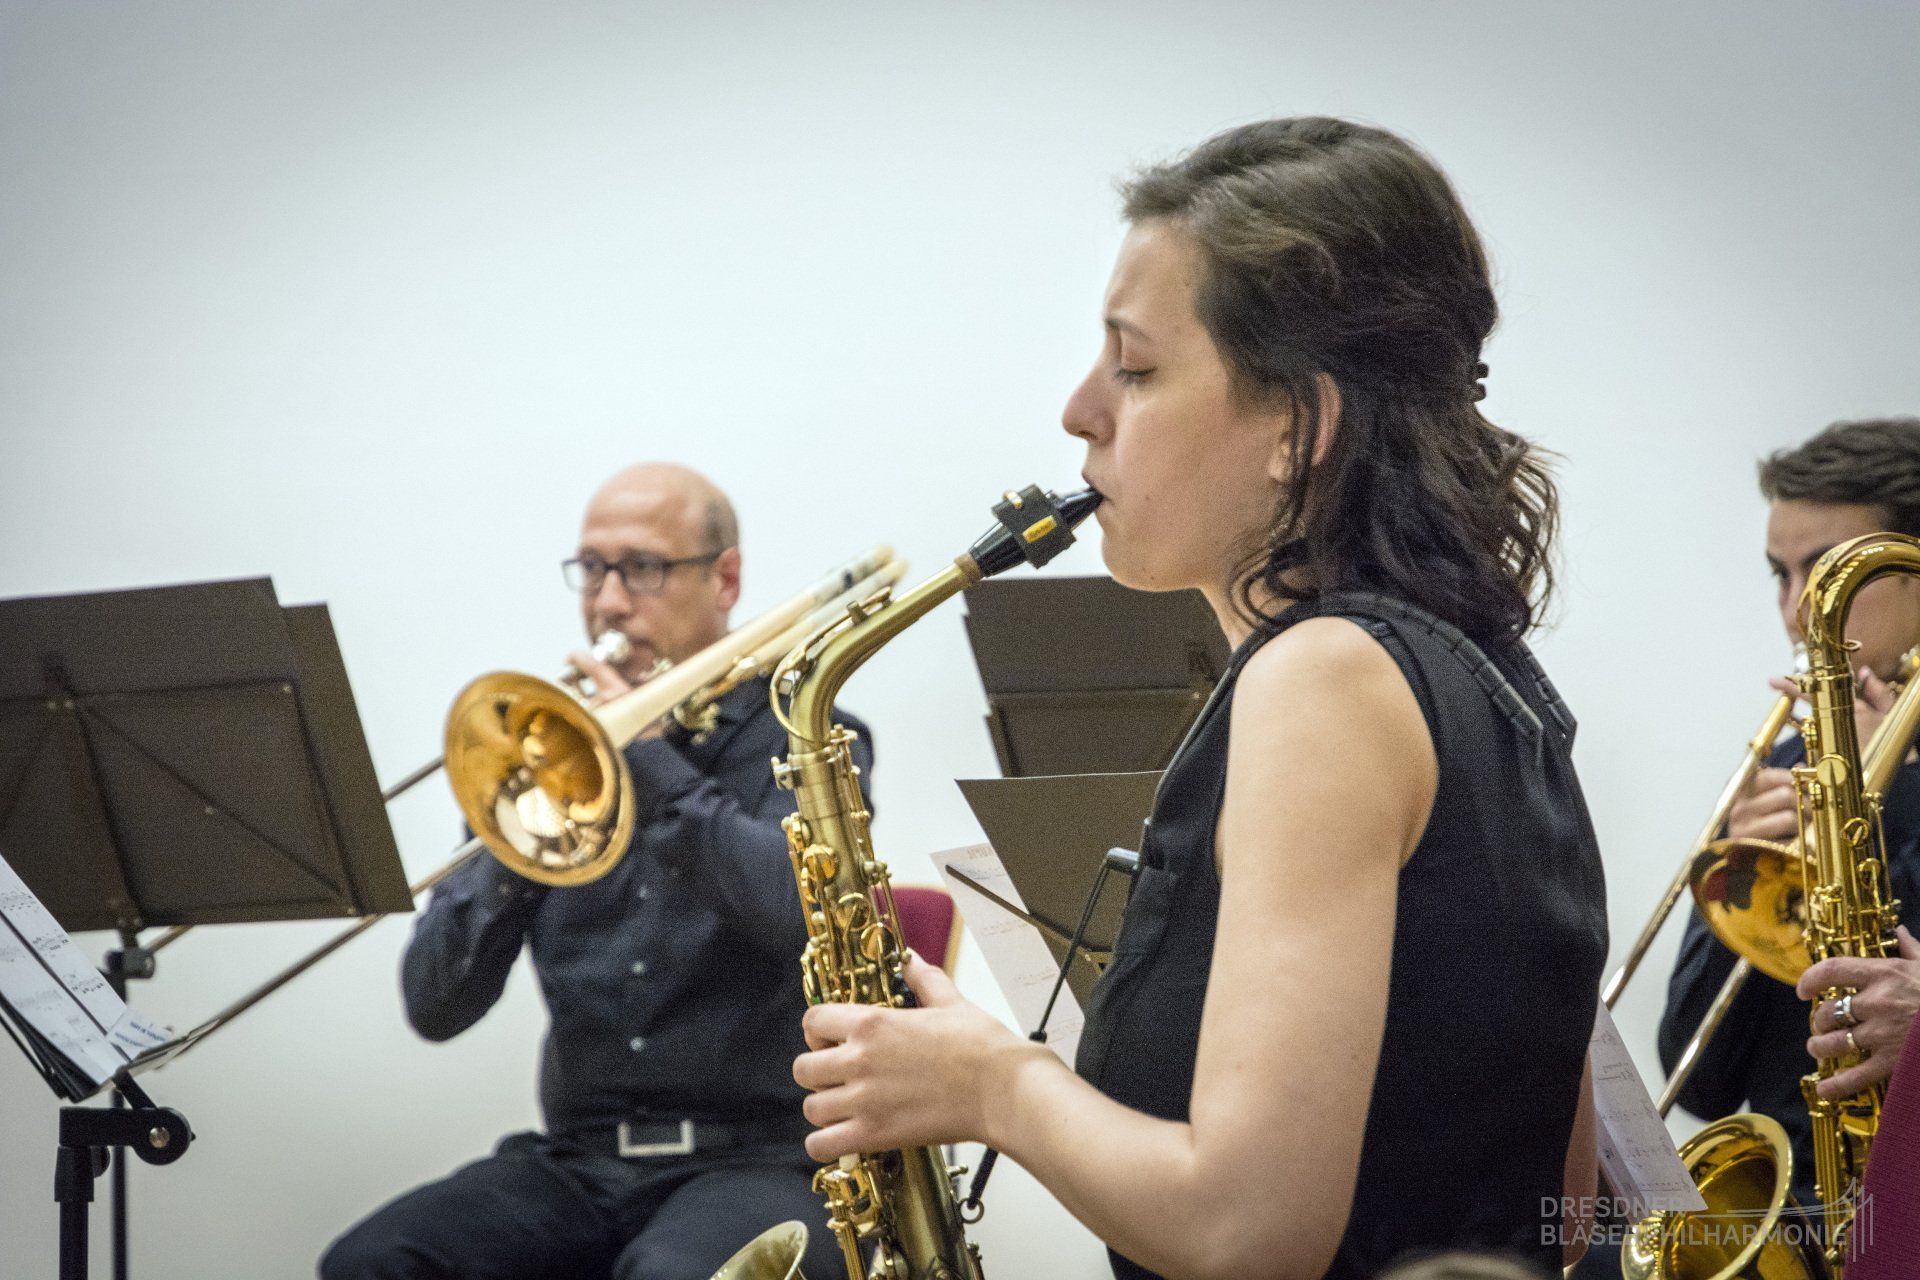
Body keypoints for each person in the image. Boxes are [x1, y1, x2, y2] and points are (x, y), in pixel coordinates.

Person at [791, 118, 1608, 1280]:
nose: (1079, 409)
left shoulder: (1323, 682)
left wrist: (991, 1083)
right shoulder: (1492, 676)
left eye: (1134, 368)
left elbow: (1247, 1226)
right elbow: (1565, 1206)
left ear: (1299, 424)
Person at [320, 462, 859, 1280]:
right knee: (373, 1263)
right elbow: (436, 1005)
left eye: (642, 568)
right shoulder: (535, 756)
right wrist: (523, 829)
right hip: (580, 1160)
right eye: (594, 569)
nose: (608, 601)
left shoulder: (801, 738)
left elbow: (802, 913)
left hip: (762, 1158)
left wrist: (649, 763)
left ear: (724, 579)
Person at [1660, 417, 1920, 1211]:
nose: (1799, 612)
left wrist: (1888, 801)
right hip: (1801, 1205)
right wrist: (1738, 871)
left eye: (1831, 571)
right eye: (1782, 574)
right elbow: (1698, 1078)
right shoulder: (1789, 768)